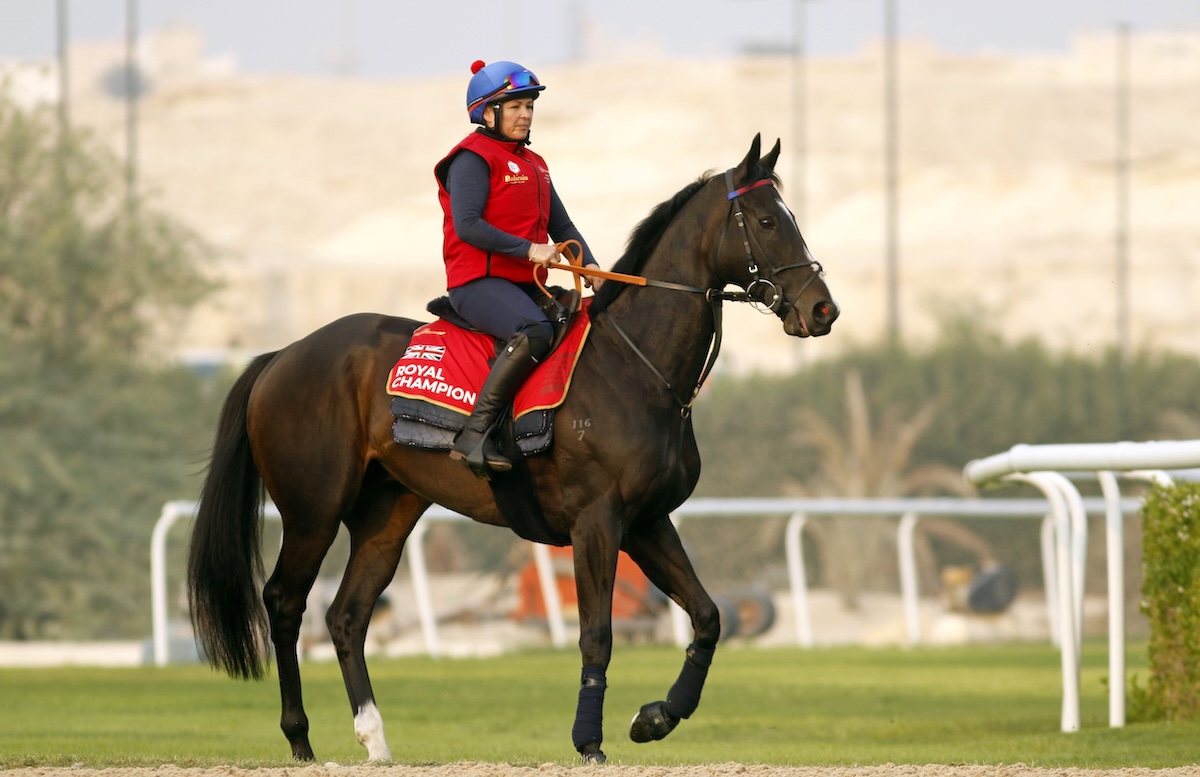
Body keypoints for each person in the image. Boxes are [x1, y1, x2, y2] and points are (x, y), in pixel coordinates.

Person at [434, 59, 603, 477]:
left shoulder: (536, 163)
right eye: (515, 107)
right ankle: (475, 434)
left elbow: (562, 226)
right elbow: (468, 225)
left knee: (578, 323)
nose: (525, 114)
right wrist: (531, 250)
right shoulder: (470, 159)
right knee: (535, 330)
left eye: (529, 105)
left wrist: (592, 268)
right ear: (487, 113)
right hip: (478, 283)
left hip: (524, 285)